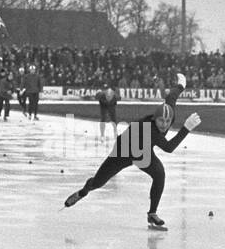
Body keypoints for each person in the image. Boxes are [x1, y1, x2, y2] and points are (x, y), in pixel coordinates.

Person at [63, 74, 201, 230]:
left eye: (167, 121)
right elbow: (169, 148)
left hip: (142, 152)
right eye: (161, 121)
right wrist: (186, 129)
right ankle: (83, 191)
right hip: (123, 152)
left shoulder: (167, 113)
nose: (164, 124)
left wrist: (181, 85)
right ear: (155, 118)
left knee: (159, 174)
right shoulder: (149, 129)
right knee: (98, 182)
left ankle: (152, 213)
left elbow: (172, 97)